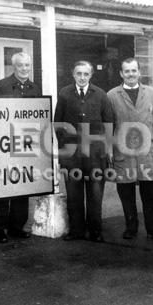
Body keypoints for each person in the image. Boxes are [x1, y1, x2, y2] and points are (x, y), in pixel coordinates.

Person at [107, 58, 153, 242]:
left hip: (148, 150)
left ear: (139, 72)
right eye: (127, 71)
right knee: (126, 192)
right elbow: (108, 125)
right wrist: (109, 149)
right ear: (121, 74)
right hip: (122, 151)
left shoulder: (151, 93)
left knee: (151, 193)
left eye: (134, 70)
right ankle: (131, 227)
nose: (131, 74)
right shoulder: (111, 95)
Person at [54, 60, 113, 242]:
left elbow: (109, 124)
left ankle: (95, 231)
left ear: (91, 75)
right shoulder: (65, 94)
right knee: (74, 194)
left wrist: (106, 149)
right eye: (79, 73)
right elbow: (58, 124)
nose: (82, 77)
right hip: (72, 155)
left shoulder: (101, 95)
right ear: (73, 74)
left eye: (85, 74)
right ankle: (76, 230)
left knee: (95, 194)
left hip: (95, 154)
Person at [0, 52, 42, 243]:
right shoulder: (0, 87)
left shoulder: (34, 88)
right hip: (3, 144)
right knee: (3, 186)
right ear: (14, 66)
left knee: (22, 186)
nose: (25, 69)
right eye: (21, 65)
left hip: (25, 144)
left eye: (28, 65)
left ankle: (16, 226)